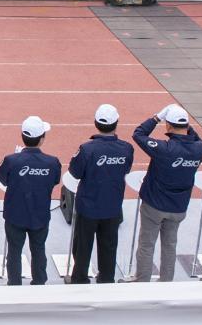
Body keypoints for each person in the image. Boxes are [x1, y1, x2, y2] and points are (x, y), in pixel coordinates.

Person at [130, 105, 202, 282]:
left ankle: (142, 280)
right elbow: (195, 138)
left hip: (155, 204)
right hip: (179, 206)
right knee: (170, 245)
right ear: (187, 126)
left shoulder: (163, 148)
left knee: (146, 245)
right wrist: (187, 126)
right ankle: (166, 282)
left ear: (168, 126)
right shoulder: (200, 148)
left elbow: (139, 134)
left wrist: (156, 117)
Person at [67, 103, 134, 284]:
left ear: (96, 122)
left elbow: (75, 172)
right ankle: (106, 281)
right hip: (112, 206)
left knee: (82, 247)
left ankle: (79, 280)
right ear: (117, 123)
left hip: (88, 206)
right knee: (109, 247)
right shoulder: (127, 148)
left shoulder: (87, 149)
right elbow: (126, 169)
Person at [0, 116, 60, 286]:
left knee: (14, 251)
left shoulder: (11, 160)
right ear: (42, 138)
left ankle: (14, 283)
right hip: (39, 214)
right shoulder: (52, 162)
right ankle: (39, 282)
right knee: (38, 249)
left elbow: (2, 180)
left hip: (15, 214)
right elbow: (54, 181)